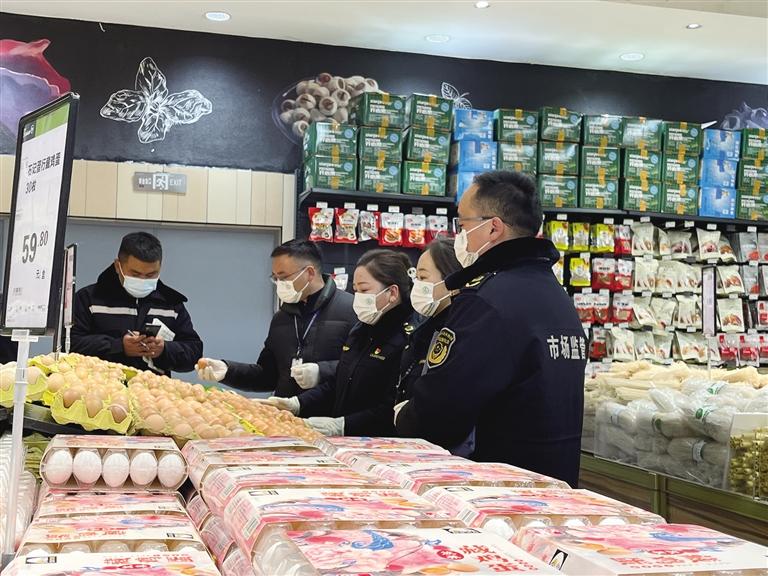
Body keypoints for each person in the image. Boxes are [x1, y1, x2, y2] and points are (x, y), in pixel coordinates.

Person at [395, 171, 586, 487]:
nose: (459, 236)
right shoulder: (555, 295)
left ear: (493, 228)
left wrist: (406, 416)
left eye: (463, 225)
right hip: (554, 484)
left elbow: (442, 412)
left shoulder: (486, 301)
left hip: (497, 487)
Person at [267, 249, 414, 437]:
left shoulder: (407, 338)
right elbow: (338, 383)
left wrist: (343, 425)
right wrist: (297, 403)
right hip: (345, 443)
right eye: (356, 290)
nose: (357, 296)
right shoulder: (360, 330)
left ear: (392, 292)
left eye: (364, 290)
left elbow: (392, 406)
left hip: (379, 443)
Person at [197, 240, 356, 397]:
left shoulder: (351, 310)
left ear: (309, 273)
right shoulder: (282, 317)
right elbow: (267, 376)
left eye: (284, 277)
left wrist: (322, 372)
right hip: (284, 411)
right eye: (275, 278)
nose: (280, 284)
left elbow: (363, 369)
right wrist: (228, 370)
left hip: (330, 412)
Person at [71, 232, 203, 375]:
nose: (143, 280)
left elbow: (194, 353)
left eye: (151, 275)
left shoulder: (171, 304)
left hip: (153, 387)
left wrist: (164, 349)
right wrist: (118, 346)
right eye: (135, 274)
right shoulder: (89, 299)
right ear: (118, 266)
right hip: (99, 384)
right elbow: (69, 344)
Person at [396, 236, 461, 405]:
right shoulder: (424, 330)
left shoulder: (457, 333)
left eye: (423, 278)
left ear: (452, 280)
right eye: (416, 278)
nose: (417, 285)